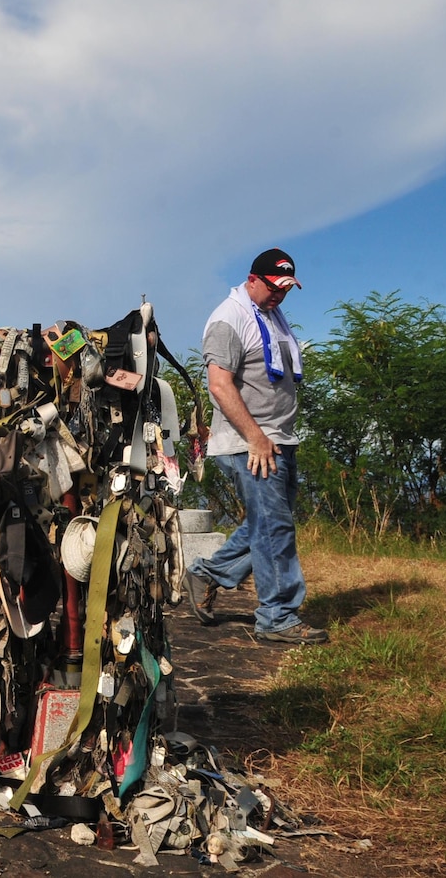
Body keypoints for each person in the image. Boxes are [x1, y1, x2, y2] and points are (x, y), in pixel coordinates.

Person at [185, 248, 329, 645]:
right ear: (253, 279)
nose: (281, 294)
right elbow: (219, 385)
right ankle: (278, 615)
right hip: (251, 441)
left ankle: (207, 574)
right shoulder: (229, 318)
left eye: (287, 288)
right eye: (275, 286)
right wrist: (255, 437)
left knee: (266, 523)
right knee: (275, 527)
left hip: (278, 437)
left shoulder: (269, 313)